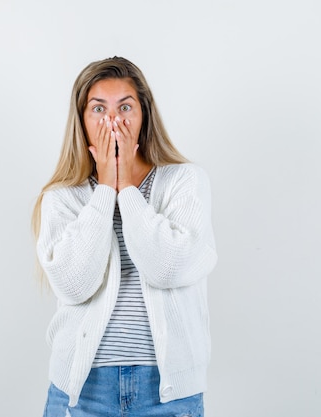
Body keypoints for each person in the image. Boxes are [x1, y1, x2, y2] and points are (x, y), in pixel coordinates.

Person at [32, 56, 218, 417]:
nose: (113, 121)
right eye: (98, 109)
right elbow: (73, 284)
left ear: (144, 115)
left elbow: (167, 268)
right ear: (82, 122)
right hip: (83, 393)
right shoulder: (62, 196)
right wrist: (105, 189)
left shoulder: (185, 182)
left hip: (167, 394)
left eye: (125, 107)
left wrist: (128, 189)